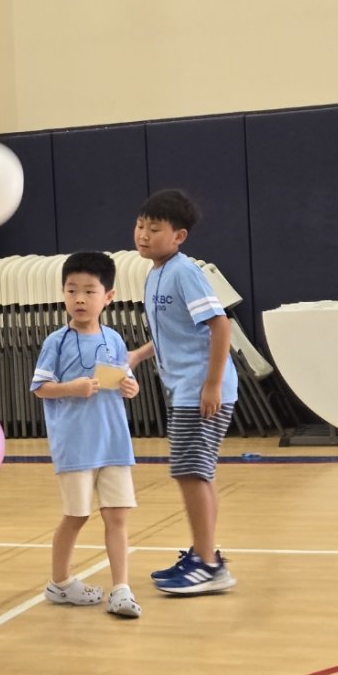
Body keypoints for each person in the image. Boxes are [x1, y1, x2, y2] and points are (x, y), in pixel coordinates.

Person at [127, 190, 238, 595]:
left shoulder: (184, 272)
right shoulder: (155, 273)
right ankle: (204, 554)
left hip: (199, 389)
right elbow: (175, 331)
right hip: (185, 388)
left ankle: (207, 565)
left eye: (155, 229)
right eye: (140, 226)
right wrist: (139, 354)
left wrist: (211, 384)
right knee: (195, 472)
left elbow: (220, 325)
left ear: (179, 236)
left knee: (191, 472)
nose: (143, 235)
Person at [31, 253, 142, 618]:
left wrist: (130, 387)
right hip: (76, 446)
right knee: (76, 515)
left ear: (108, 296)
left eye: (89, 291)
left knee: (117, 516)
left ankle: (121, 588)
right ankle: (60, 582)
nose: (79, 299)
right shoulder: (56, 342)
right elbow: (40, 388)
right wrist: (72, 388)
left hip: (114, 444)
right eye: (71, 290)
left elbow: (124, 376)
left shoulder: (113, 339)